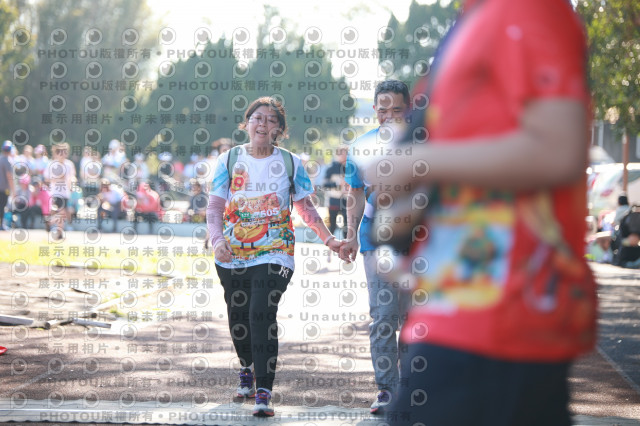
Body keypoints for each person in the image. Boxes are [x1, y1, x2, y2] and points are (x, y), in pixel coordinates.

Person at [360, 1, 598, 424]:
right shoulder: (474, 19)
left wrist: (416, 162)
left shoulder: (528, 8)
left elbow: (559, 149)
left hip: (503, 317)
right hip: (458, 311)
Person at [207, 97, 343, 417]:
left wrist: (329, 239)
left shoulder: (291, 163)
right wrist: (217, 240)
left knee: (261, 312)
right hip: (233, 252)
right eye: (257, 118)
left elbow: (305, 208)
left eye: (270, 120)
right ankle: (247, 368)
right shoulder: (229, 159)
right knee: (239, 317)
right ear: (246, 123)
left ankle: (264, 391)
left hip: (276, 250)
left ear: (279, 129)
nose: (263, 124)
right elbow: (214, 208)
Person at [339, 80, 411, 414]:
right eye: (383, 110)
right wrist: (351, 235)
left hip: (420, 244)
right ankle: (386, 390)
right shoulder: (361, 146)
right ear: (374, 110)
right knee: (383, 317)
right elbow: (354, 194)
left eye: (397, 109)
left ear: (408, 109)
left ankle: (412, 388)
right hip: (375, 242)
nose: (389, 116)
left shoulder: (424, 143)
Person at [43, 142, 76, 233]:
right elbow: (46, 178)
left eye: (65, 152)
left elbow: (72, 177)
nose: (63, 155)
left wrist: (72, 185)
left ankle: (51, 223)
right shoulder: (52, 164)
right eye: (61, 153)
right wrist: (58, 178)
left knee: (62, 212)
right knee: (61, 211)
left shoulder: (69, 164)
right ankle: (59, 231)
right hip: (55, 192)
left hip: (66, 193)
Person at [0, 141, 15, 230]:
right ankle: (1, 224)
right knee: (2, 206)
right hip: (4, 188)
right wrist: (13, 190)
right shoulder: (7, 161)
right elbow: (9, 176)